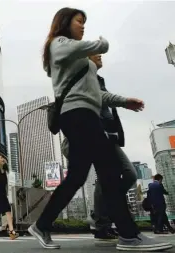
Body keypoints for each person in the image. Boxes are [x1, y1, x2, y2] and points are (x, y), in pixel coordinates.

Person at [28, 7, 172, 252]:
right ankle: (128, 235)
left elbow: (97, 93)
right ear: (65, 22)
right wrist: (100, 44)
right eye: (79, 21)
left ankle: (42, 224)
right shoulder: (58, 43)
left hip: (86, 115)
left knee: (78, 177)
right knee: (109, 171)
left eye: (84, 22)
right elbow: (85, 49)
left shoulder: (82, 59)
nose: (83, 26)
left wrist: (124, 101)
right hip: (77, 115)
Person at [62, 54, 138, 243]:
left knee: (129, 175)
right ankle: (103, 222)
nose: (100, 55)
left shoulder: (98, 79)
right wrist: (124, 101)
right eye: (96, 53)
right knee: (111, 178)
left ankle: (102, 214)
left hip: (108, 137)